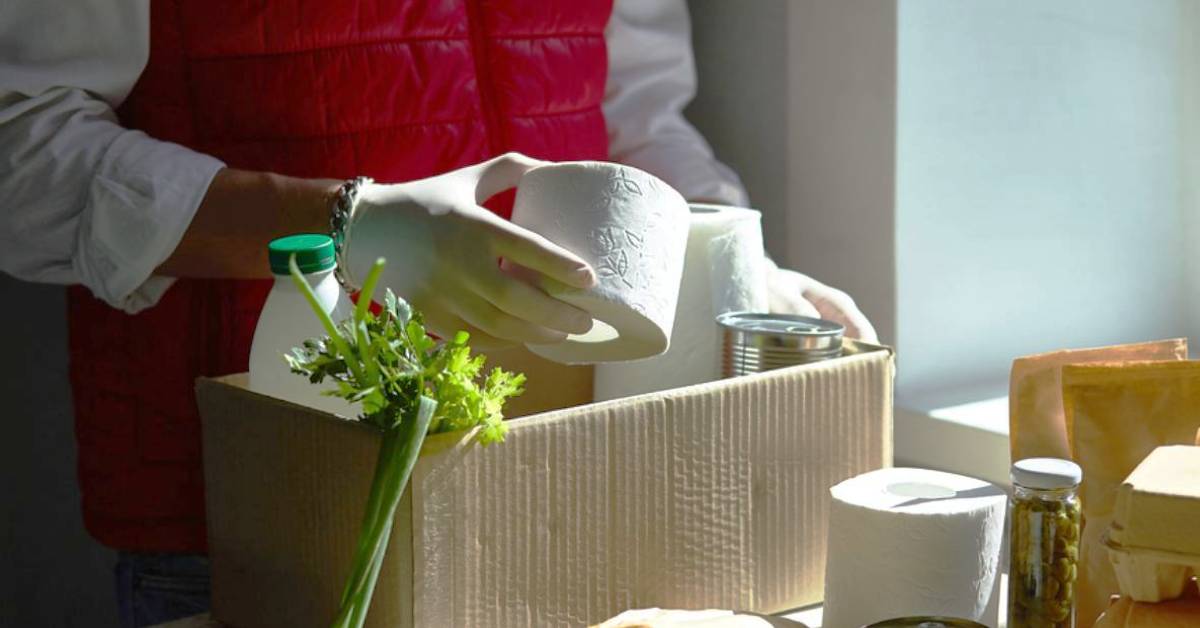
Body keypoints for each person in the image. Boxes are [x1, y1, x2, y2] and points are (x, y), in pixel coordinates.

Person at [0, 1, 876, 625]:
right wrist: (346, 222)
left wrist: (727, 246)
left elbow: (633, 111)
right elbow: (21, 145)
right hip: (267, 508)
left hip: (566, 477)